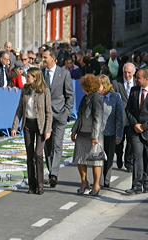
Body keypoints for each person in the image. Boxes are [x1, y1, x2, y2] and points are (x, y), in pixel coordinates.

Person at [11, 67, 52, 195]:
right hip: (28, 124)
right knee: (29, 155)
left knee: (38, 154)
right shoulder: (25, 90)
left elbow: (48, 112)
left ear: (35, 78)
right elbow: (19, 109)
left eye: (28, 76)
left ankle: (40, 185)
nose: (25, 78)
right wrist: (14, 126)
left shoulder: (44, 91)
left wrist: (48, 129)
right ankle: (32, 185)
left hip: (40, 125)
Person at [42, 46, 74, 188]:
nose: (42, 60)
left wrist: (67, 111)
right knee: (47, 145)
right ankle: (51, 171)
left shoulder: (64, 74)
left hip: (60, 114)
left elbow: (70, 95)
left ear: (53, 58)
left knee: (57, 144)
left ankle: (54, 174)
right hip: (44, 116)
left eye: (45, 57)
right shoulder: (41, 73)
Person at [71, 74, 104, 196]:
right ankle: (84, 182)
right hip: (82, 133)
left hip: (93, 135)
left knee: (96, 160)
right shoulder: (85, 98)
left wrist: (95, 136)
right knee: (80, 158)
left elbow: (98, 119)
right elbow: (80, 116)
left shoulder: (96, 98)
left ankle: (96, 185)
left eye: (83, 86)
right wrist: (74, 130)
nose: (81, 88)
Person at [98, 74, 124, 188]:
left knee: (108, 156)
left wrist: (119, 135)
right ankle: (98, 179)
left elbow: (120, 117)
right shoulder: (95, 96)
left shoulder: (115, 96)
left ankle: (106, 179)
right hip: (97, 132)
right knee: (98, 157)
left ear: (104, 85)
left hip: (110, 132)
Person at [125, 68, 148, 194]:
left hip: (147, 130)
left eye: (138, 78)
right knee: (137, 157)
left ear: (146, 79)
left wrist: (144, 126)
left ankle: (147, 183)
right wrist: (135, 124)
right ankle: (136, 185)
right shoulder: (134, 91)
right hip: (135, 130)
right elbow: (128, 109)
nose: (136, 80)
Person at [111, 63, 136, 171]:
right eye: (125, 72)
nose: (127, 74)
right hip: (119, 117)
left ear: (133, 73)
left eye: (129, 72)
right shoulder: (116, 83)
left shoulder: (137, 82)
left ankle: (129, 162)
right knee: (119, 142)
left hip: (132, 117)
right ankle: (119, 156)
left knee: (131, 141)